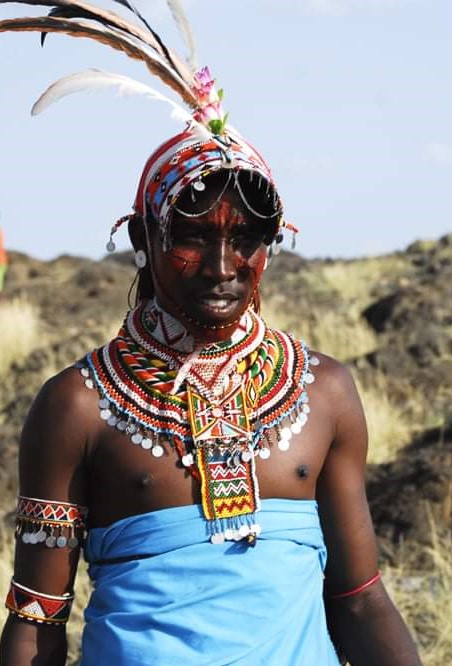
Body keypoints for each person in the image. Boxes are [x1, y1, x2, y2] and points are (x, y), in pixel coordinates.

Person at [0, 2, 422, 665]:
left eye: (247, 239)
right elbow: (37, 621)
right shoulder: (76, 406)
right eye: (192, 237)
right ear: (143, 238)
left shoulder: (326, 393)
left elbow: (361, 599)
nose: (225, 267)